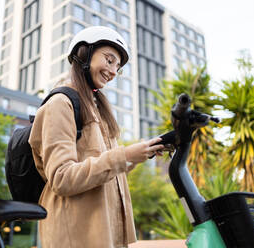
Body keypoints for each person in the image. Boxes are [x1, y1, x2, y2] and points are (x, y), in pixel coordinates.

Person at [29, 26, 164, 248]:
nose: (113, 71)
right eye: (109, 60)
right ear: (84, 54)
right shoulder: (60, 104)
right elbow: (62, 177)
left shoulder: (97, 110)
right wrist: (124, 155)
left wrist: (137, 155)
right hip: (76, 234)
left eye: (117, 67)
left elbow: (103, 168)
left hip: (103, 233)